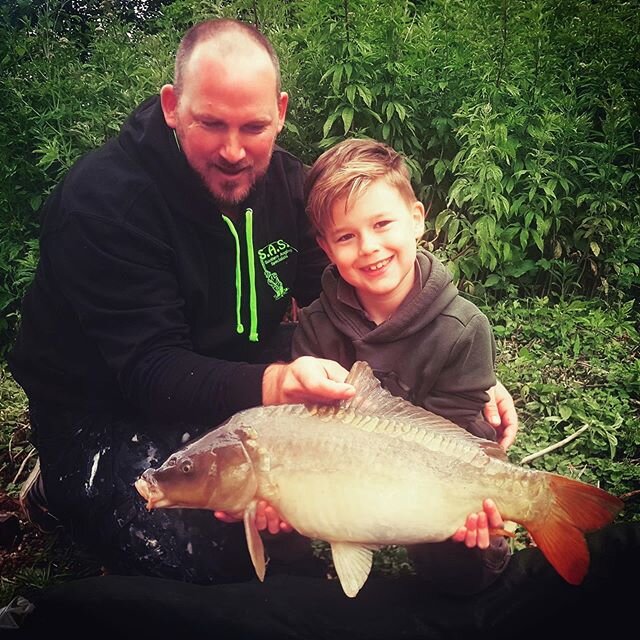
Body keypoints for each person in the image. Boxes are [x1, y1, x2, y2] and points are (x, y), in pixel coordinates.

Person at [8, 18, 517, 585]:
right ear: (173, 106)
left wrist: (463, 369)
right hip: (107, 409)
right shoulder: (105, 206)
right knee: (214, 550)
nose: (233, 151)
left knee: (287, 530)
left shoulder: (287, 185)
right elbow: (150, 370)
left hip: (239, 397)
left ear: (280, 111)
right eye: (210, 124)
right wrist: (277, 386)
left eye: (253, 126)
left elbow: (349, 288)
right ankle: (59, 482)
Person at [292, 138, 512, 594]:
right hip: (349, 477)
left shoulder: (465, 327)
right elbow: (309, 431)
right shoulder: (315, 327)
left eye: (382, 223)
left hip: (438, 476)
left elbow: (460, 435)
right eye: (346, 236)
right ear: (325, 247)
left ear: (416, 219)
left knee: (460, 575)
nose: (369, 247)